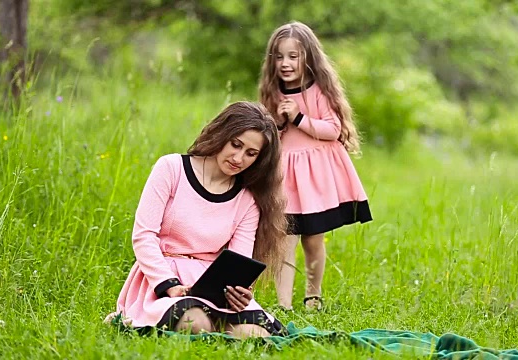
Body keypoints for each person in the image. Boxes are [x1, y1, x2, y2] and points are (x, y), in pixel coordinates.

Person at [105, 101, 288, 338]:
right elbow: (144, 235)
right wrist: (168, 284)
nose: (238, 158)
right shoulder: (171, 168)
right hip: (162, 277)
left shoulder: (247, 199)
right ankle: (129, 318)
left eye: (250, 154)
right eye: (236, 145)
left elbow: (238, 262)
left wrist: (241, 292)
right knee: (196, 323)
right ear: (222, 134)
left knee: (254, 334)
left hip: (212, 285)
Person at [258, 21, 372, 312]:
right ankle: (284, 304)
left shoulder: (318, 90)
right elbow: (268, 135)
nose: (285, 63)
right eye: (279, 57)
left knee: (312, 239)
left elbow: (333, 129)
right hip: (286, 176)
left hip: (314, 176)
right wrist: (280, 124)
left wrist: (298, 118)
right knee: (284, 239)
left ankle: (313, 295)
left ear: (308, 57)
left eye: (293, 56)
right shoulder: (273, 91)